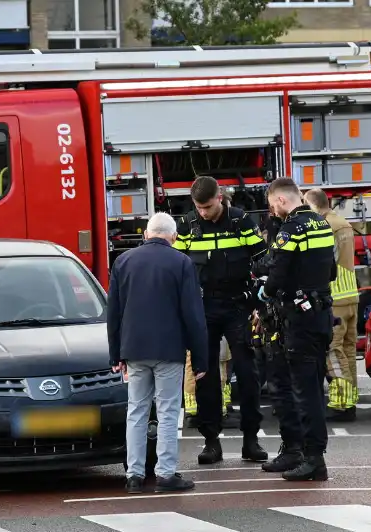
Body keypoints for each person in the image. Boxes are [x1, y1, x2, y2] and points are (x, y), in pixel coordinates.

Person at [107, 211, 207, 493]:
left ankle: (134, 474)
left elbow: (113, 312)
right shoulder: (182, 262)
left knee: (136, 411)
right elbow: (193, 314)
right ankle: (165, 473)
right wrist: (200, 357)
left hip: (133, 348)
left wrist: (115, 353)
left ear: (146, 234)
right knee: (167, 411)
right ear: (173, 237)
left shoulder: (123, 261)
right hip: (169, 349)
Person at [173, 176, 268, 465]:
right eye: (198, 207)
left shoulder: (241, 221)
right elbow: (177, 266)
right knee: (206, 375)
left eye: (207, 206)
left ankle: (251, 439)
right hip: (204, 307)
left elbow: (264, 260)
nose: (203, 212)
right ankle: (211, 441)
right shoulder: (188, 225)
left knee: (248, 373)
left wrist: (258, 301)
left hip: (238, 305)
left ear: (219, 197)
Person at [258, 177, 337, 481]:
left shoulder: (291, 228)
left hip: (300, 319)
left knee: (305, 392)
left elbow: (277, 272)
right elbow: (331, 270)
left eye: (272, 204)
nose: (272, 210)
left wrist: (265, 292)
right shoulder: (321, 223)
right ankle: (302, 453)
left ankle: (314, 459)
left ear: (280, 199)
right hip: (320, 314)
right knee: (312, 387)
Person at [306, 188, 360, 422]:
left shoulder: (324, 226)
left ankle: (341, 403)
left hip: (334, 298)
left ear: (313, 205)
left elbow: (323, 262)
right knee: (348, 351)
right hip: (351, 296)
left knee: (333, 351)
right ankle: (350, 399)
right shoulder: (343, 223)